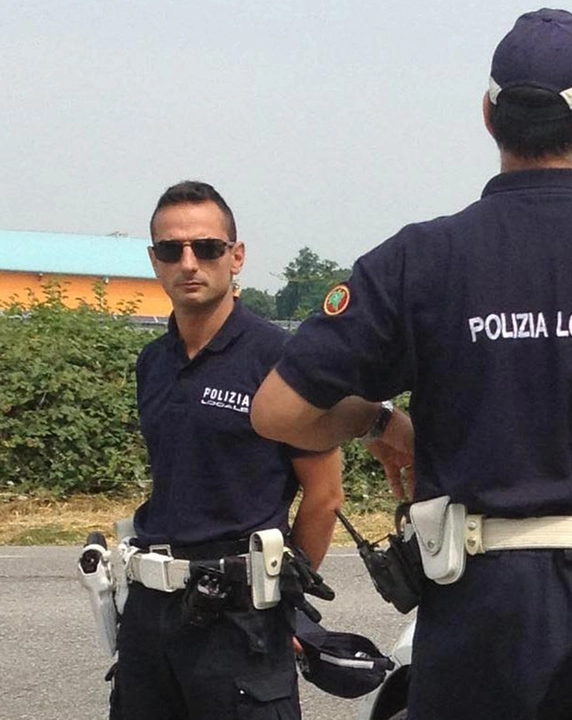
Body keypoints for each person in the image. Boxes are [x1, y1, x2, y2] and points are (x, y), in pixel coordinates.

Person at [250, 8, 572, 719]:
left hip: (484, 601)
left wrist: (379, 420)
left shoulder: (419, 259)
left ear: (489, 117)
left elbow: (279, 413)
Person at [111, 180, 344, 719]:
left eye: (208, 248)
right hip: (151, 616)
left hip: (239, 619)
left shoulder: (281, 361)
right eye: (172, 250)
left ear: (236, 257)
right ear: (155, 261)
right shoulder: (153, 362)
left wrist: (282, 601)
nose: (189, 263)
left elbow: (325, 495)